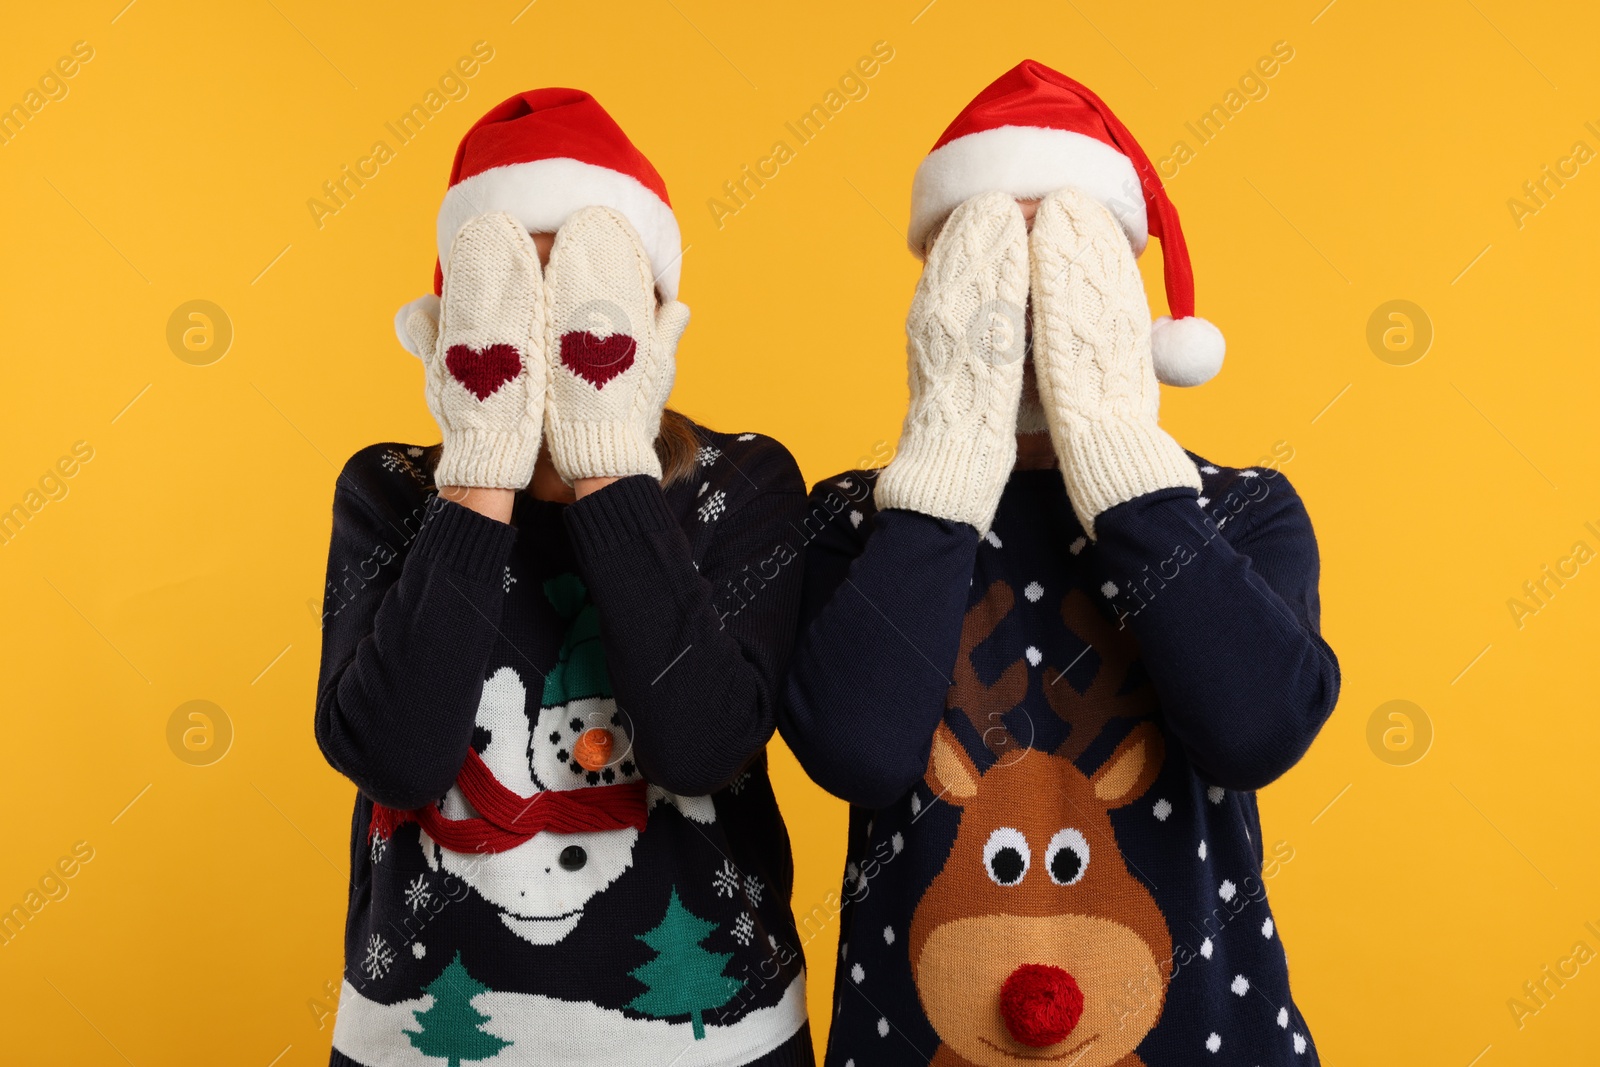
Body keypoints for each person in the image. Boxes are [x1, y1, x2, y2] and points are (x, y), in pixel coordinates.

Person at [780, 61, 1339, 1066]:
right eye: (995, 263)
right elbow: (856, 751)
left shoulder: (1240, 507)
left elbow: (1254, 729)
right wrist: (949, 455)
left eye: (1064, 267)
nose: (1031, 310)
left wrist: (1119, 453)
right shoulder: (856, 520)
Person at [315, 89, 813, 1067]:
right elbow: (396, 755)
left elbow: (702, 744)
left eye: (574, 283)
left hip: (710, 1042)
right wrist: (484, 468)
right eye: (511, 286)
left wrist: (601, 459)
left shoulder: (742, 479)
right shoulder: (389, 488)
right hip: (424, 1039)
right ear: (448, 321)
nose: (542, 324)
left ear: (654, 314)